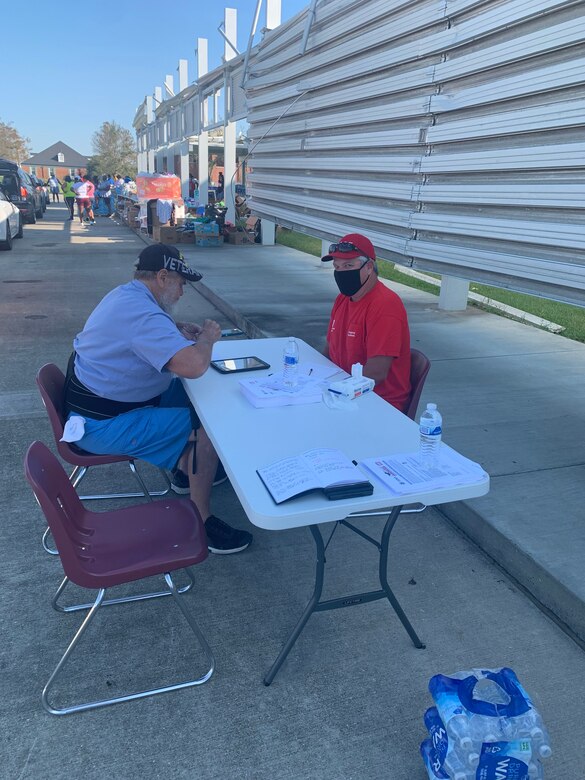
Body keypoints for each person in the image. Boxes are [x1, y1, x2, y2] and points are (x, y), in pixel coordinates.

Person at [62, 243, 253, 554]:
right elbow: (194, 366)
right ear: (163, 277)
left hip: (102, 406)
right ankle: (200, 522)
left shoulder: (127, 295)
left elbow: (138, 332)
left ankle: (184, 472)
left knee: (198, 402)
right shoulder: (142, 315)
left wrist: (173, 329)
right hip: (103, 425)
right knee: (207, 427)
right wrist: (207, 338)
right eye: (181, 283)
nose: (182, 292)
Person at [322, 233, 411, 413]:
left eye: (349, 265)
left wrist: (335, 392)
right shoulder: (343, 299)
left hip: (379, 404)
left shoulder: (385, 305)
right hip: (343, 393)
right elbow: (329, 350)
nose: (341, 273)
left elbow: (376, 373)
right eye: (337, 267)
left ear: (369, 267)